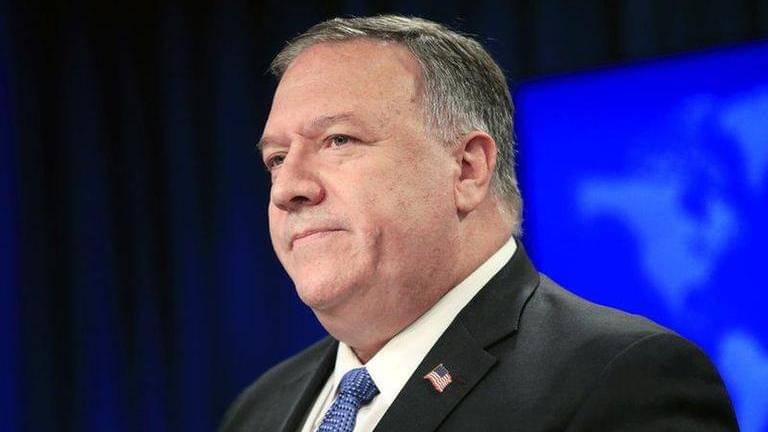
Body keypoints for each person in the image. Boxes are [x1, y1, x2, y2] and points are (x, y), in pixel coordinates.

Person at [219, 15, 738, 432]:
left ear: (467, 169)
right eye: (276, 159)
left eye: (338, 140)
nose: (288, 188)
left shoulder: (625, 382)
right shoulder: (259, 409)